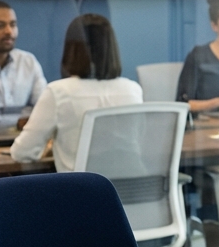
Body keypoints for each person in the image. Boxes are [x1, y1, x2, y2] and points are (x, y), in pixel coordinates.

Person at [11, 14, 142, 171]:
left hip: (82, 192)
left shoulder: (59, 92)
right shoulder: (132, 89)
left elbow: (22, 153)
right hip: (133, 191)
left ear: (71, 49)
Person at [0, 0, 47, 131]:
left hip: (21, 142)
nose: (9, 31)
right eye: (0, 25)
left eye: (12, 25)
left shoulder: (28, 62)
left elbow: (44, 109)